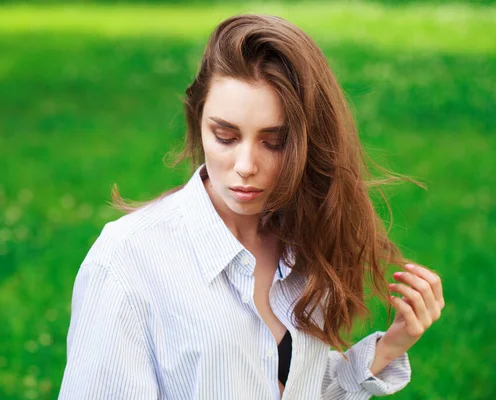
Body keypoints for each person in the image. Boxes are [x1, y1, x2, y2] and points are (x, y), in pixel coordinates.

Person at [58, 13, 445, 400]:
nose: (245, 166)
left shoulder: (301, 241)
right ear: (198, 122)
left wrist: (390, 347)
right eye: (225, 136)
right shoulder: (127, 262)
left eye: (274, 142)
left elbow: (291, 387)